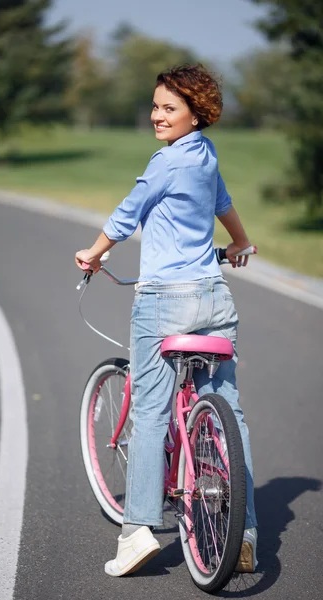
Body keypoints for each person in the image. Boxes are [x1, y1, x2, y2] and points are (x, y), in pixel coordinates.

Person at [75, 63, 257, 577]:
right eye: (155, 106)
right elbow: (223, 204)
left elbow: (125, 214)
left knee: (152, 412)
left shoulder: (166, 161)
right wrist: (240, 244)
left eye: (169, 108)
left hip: (164, 301)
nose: (158, 115)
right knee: (231, 412)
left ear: (195, 114)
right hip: (214, 299)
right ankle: (242, 534)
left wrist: (92, 254)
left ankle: (136, 533)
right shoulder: (205, 155)